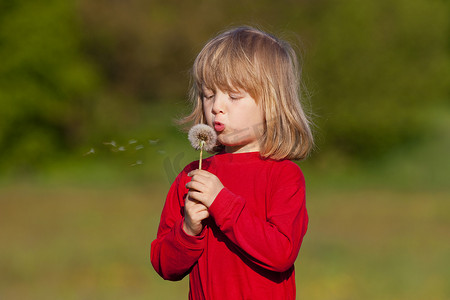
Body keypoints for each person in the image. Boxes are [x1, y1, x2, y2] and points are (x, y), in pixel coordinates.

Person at [151, 26, 314, 300]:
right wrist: (188, 230)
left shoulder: (284, 176)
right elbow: (165, 265)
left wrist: (221, 202)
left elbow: (281, 253)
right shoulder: (194, 176)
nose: (216, 106)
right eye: (208, 94)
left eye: (234, 96)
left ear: (272, 103)